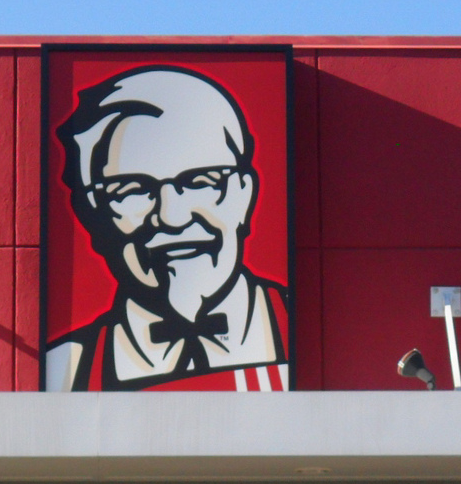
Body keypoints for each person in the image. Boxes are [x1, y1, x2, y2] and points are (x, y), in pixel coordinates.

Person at [44, 65, 290, 392]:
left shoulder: (305, 329)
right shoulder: (65, 372)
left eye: (202, 181)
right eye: (130, 190)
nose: (172, 217)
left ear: (245, 195)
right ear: (90, 214)